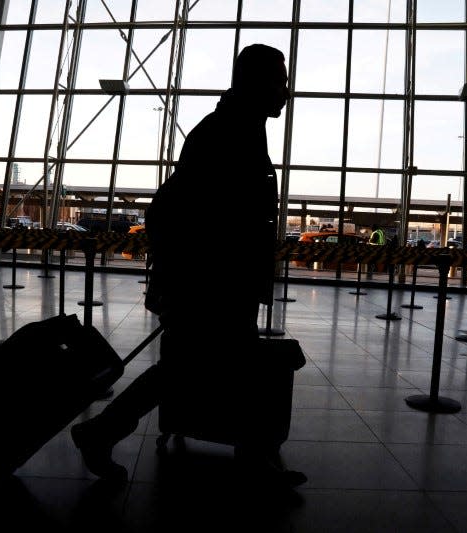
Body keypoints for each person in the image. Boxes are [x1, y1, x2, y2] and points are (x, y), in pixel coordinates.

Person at [71, 44, 306, 488]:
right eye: (280, 81)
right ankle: (101, 432)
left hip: (219, 284)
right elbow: (171, 213)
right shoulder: (227, 133)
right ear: (254, 82)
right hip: (212, 286)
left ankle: (101, 432)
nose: (285, 92)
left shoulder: (237, 128)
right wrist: (180, 283)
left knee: (191, 370)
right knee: (208, 369)